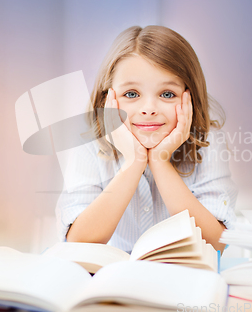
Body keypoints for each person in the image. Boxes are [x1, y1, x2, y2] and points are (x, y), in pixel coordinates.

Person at [55, 25, 237, 253]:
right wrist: (134, 162)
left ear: (190, 97)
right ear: (108, 100)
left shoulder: (209, 141)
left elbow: (216, 241)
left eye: (167, 94)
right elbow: (78, 241)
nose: (149, 109)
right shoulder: (89, 143)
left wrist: (160, 161)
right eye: (131, 94)